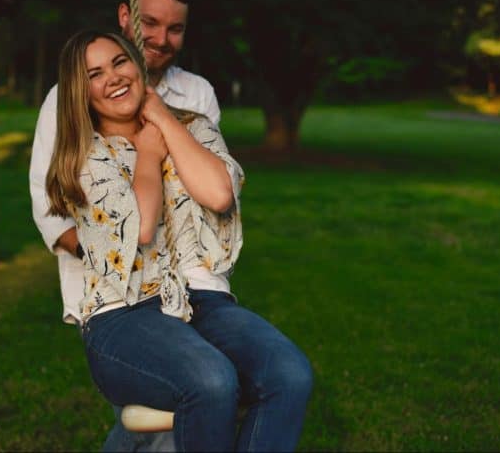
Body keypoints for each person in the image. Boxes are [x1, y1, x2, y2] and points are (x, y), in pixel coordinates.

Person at [46, 30, 311, 451]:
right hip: (123, 316)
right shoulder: (84, 156)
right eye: (94, 73)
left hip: (201, 303)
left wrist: (165, 121)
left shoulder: (193, 127)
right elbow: (141, 227)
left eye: (119, 62)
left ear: (137, 65)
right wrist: (149, 155)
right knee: (211, 379)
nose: (112, 77)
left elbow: (219, 194)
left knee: (289, 373)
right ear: (82, 92)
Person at [29, 0, 218, 450]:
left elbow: (205, 195)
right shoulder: (68, 97)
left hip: (189, 288)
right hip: (116, 295)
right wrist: (109, 252)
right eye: (150, 23)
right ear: (125, 18)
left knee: (173, 411)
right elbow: (47, 200)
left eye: (175, 28)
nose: (160, 38)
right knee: (165, 409)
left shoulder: (196, 95)